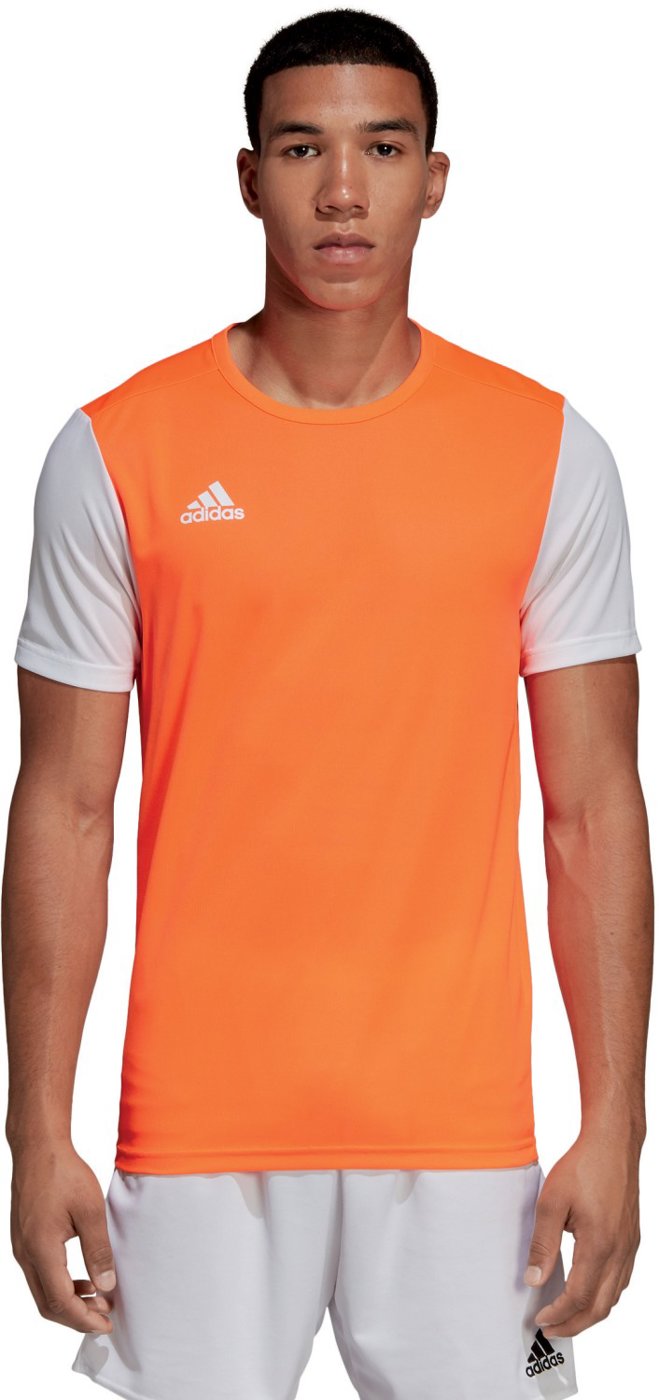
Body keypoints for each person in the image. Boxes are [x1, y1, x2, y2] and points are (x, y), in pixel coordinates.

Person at [2, 8, 652, 1400]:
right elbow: (64, 807)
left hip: (463, 1133)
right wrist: (34, 1128)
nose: (343, 190)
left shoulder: (548, 452)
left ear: (436, 178)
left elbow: (594, 811)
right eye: (302, 148)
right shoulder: (117, 450)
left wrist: (617, 1126)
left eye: (383, 148)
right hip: (196, 1128)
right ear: (249, 179)